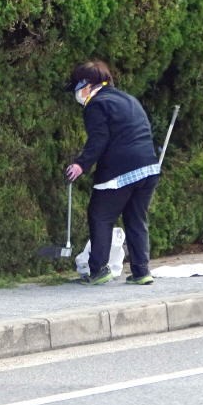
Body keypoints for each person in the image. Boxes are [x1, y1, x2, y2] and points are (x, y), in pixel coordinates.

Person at [64, 60, 160, 286]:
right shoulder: (128, 99)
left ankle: (98, 270)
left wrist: (80, 165)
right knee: (136, 219)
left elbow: (99, 140)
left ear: (87, 85)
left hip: (120, 169)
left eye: (77, 88)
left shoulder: (96, 104)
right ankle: (141, 272)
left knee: (100, 215)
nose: (77, 94)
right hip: (149, 167)